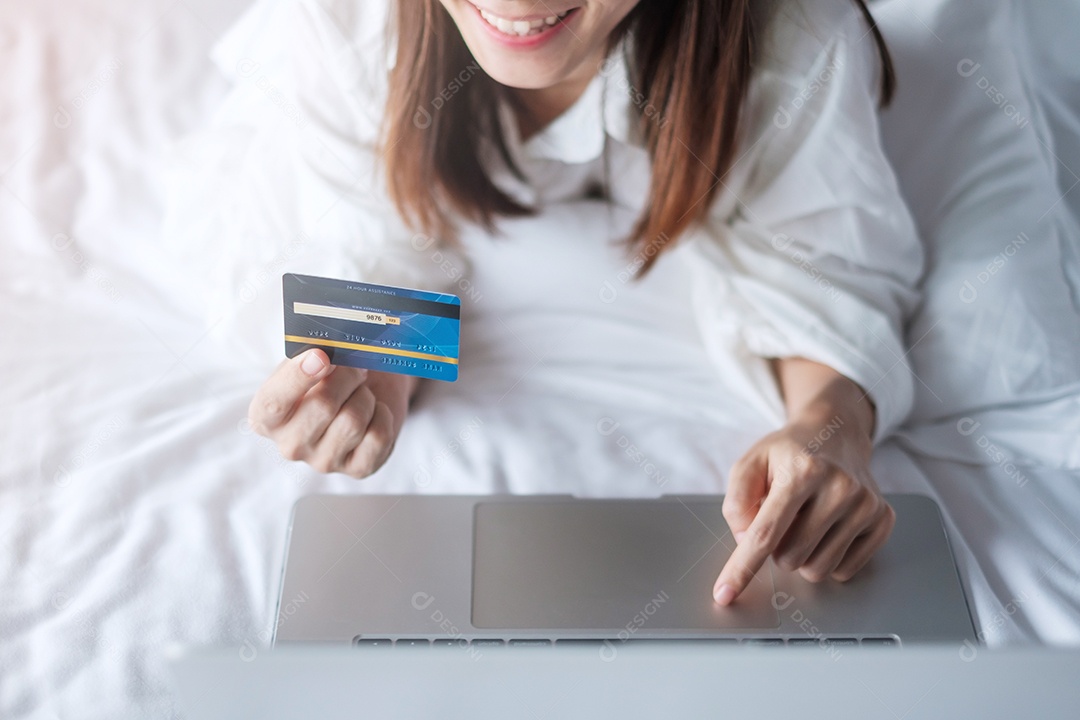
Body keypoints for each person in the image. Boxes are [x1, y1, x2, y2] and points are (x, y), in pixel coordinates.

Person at [204, 0, 923, 606]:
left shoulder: (794, 39)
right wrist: (380, 373)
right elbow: (375, 244)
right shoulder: (350, 26)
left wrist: (829, 428)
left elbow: (828, 277)